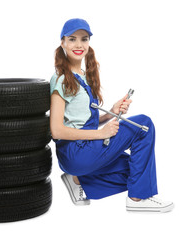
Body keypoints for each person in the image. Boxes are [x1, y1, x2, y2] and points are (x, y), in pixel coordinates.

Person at [50, 18, 174, 212]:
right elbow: (56, 130)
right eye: (72, 39)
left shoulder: (82, 75)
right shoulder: (61, 79)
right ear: (63, 42)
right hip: (74, 153)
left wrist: (110, 114)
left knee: (137, 170)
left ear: (89, 43)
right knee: (144, 124)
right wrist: (101, 134)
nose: (79, 45)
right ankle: (137, 199)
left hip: (83, 153)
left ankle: (77, 180)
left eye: (84, 39)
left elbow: (79, 122)